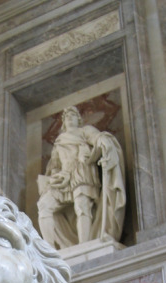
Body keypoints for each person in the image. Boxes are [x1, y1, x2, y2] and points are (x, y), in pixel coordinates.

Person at [37, 105, 126, 249]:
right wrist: (55, 176)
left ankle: (84, 246)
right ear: (64, 122)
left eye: (73, 116)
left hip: (82, 172)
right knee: (44, 205)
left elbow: (98, 138)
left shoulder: (85, 131)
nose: (70, 119)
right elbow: (55, 165)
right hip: (64, 178)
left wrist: (103, 142)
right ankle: (49, 251)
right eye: (67, 117)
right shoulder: (59, 141)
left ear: (78, 120)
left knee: (82, 206)